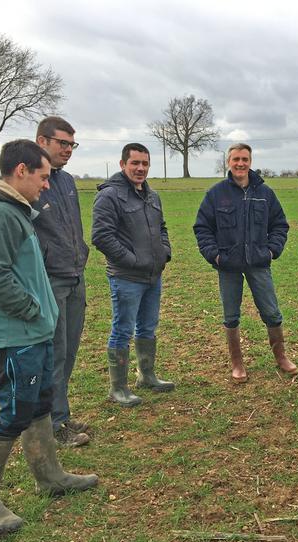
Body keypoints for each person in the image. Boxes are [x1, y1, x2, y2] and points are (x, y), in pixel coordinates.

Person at [0, 140, 98, 535]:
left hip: (33, 331)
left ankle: (50, 476)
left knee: (39, 403)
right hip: (13, 335)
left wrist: (41, 317)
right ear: (21, 170)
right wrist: (35, 311)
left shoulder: (13, 209)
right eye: (42, 176)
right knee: (16, 410)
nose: (47, 185)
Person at [193, 143, 298, 383]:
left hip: (258, 263)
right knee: (231, 315)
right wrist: (214, 255)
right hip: (228, 264)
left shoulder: (265, 193)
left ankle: (281, 357)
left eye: (245, 159)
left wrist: (271, 251)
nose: (240, 163)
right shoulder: (216, 194)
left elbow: (280, 225)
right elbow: (202, 227)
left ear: (250, 162)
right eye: (236, 159)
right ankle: (237, 362)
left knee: (272, 312)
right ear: (228, 162)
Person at [92, 143, 174, 407]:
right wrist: (132, 261)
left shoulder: (153, 196)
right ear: (122, 164)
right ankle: (118, 388)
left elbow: (161, 227)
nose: (140, 168)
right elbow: (101, 236)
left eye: (145, 164)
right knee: (122, 330)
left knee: (148, 327)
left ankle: (146, 375)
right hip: (126, 277)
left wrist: (165, 252)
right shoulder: (109, 196)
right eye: (135, 163)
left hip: (153, 274)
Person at [33, 116, 90, 447]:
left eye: (72, 144)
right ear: (42, 142)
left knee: (68, 352)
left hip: (75, 276)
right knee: (53, 354)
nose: (68, 150)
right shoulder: (29, 181)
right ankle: (53, 425)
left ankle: (61, 414)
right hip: (51, 280)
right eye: (62, 143)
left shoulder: (67, 181)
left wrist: (80, 254)